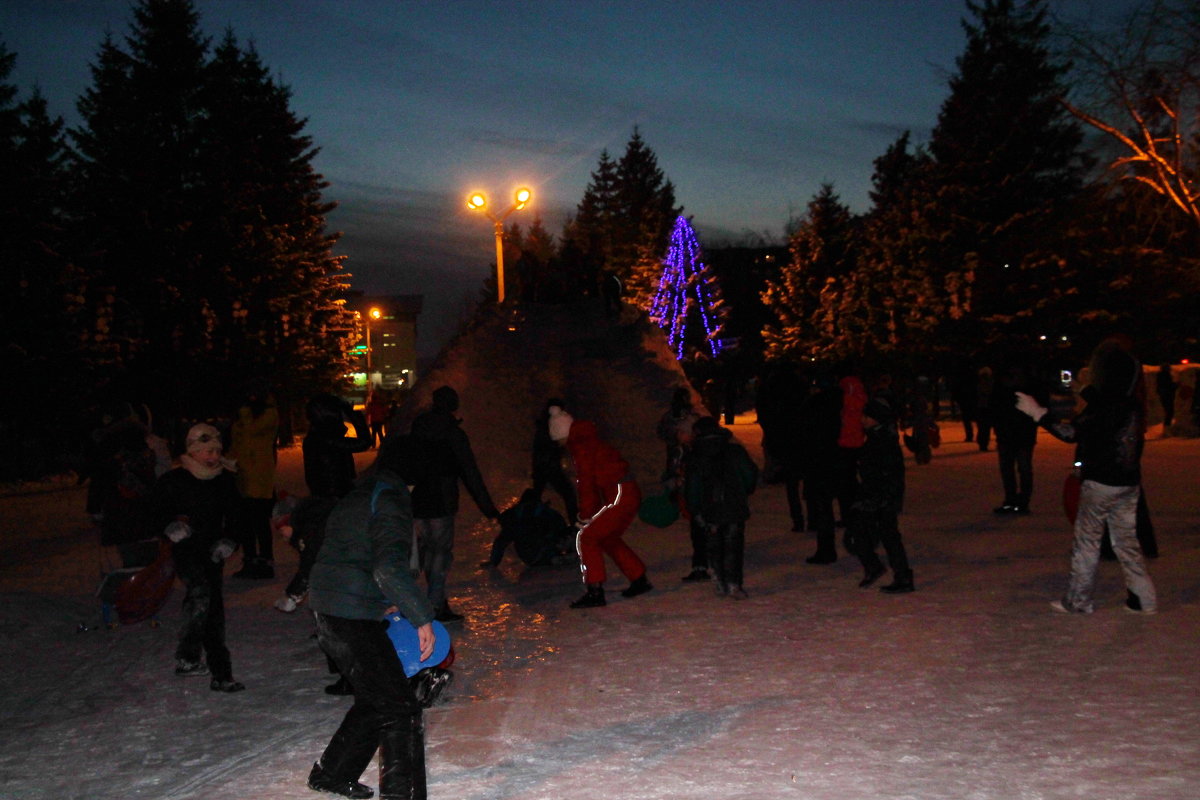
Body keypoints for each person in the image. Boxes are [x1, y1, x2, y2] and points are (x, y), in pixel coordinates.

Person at [306, 446, 438, 800]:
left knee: (377, 696)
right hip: (348, 614)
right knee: (400, 706)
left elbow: (349, 556)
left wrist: (378, 600)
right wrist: (420, 615)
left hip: (330, 606)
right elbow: (387, 567)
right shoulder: (391, 500)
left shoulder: (362, 494)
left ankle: (332, 773)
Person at [1016, 339, 1157, 614]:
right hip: (1127, 483)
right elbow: (1107, 410)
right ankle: (1144, 598)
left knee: (1087, 542)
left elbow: (1073, 432)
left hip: (1100, 482)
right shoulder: (1131, 402)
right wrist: (1087, 391)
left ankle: (1078, 600)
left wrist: (1039, 414)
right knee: (1126, 542)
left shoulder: (1107, 406)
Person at [147, 423, 245, 691]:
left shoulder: (224, 480)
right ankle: (205, 665)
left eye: (216, 451)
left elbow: (237, 516)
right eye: (206, 451)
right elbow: (153, 513)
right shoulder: (173, 480)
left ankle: (205, 666)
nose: (213, 457)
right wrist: (169, 528)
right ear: (192, 451)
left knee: (210, 606)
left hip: (213, 552)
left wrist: (230, 540)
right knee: (201, 594)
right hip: (185, 550)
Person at [273, 393, 371, 614]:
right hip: (331, 501)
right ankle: (300, 593)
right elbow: (364, 442)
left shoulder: (320, 436)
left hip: (330, 499)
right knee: (324, 552)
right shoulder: (324, 437)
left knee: (326, 552)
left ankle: (313, 598)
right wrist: (354, 417)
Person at [410, 385, 501, 623]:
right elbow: (470, 472)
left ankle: (407, 604)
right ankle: (436, 605)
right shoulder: (453, 434)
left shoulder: (417, 429)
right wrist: (487, 507)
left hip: (416, 501)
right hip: (441, 501)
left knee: (417, 555)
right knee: (439, 554)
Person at [549, 403, 652, 608]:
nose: (559, 444)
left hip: (620, 493)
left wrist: (585, 517)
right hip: (625, 492)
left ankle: (595, 591)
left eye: (557, 438)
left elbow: (586, 485)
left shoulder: (581, 447)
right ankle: (639, 579)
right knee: (606, 537)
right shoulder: (587, 441)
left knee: (587, 538)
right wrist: (590, 514)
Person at [844, 395, 914, 594]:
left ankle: (901, 576)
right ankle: (880, 568)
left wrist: (881, 497)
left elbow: (889, 472)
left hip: (882, 495)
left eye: (866, 416)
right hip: (875, 493)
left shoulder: (884, 439)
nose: (862, 419)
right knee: (863, 529)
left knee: (888, 534)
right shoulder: (876, 435)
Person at [684, 416, 759, 599]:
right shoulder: (735, 451)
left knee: (714, 544)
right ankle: (734, 583)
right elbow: (749, 474)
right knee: (734, 544)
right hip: (734, 505)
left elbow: (693, 486)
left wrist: (695, 508)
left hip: (710, 508)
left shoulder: (695, 456)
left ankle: (719, 580)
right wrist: (745, 490)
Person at [656, 386, 707, 581]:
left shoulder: (671, 417)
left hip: (685, 472)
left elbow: (662, 433)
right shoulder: (691, 418)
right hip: (686, 470)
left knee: (697, 518)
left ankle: (702, 562)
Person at [228, 382, 279, 579]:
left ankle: (265, 562)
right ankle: (249, 561)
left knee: (260, 522)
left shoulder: (268, 414)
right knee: (244, 523)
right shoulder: (243, 417)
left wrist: (244, 413)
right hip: (242, 475)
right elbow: (237, 443)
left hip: (259, 477)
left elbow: (251, 433)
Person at [800, 371, 843, 564]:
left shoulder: (814, 406)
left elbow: (807, 433)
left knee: (822, 506)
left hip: (817, 460)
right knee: (825, 505)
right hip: (831, 458)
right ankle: (826, 547)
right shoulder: (835, 404)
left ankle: (826, 549)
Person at [992, 363, 1041, 514]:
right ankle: (1013, 500)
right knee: (1012, 469)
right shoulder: (1003, 390)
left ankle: (1019, 501)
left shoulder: (1025, 390)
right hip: (1011, 435)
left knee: (1021, 468)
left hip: (1020, 435)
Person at [479, 488, 572, 568]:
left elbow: (501, 541)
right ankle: (553, 557)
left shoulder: (513, 516)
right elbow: (562, 529)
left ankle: (552, 558)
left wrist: (493, 562)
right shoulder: (547, 512)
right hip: (545, 548)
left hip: (528, 556)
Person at [530, 398, 578, 523]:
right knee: (569, 494)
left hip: (543, 467)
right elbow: (548, 452)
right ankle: (575, 523)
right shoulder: (553, 427)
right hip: (548, 467)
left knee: (536, 496)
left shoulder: (546, 426)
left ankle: (527, 522)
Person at [1156, 363, 1176, 432]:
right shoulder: (1165, 375)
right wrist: (1176, 385)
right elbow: (1168, 385)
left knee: (1168, 411)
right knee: (1169, 411)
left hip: (1164, 395)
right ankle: (1167, 428)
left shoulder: (1160, 375)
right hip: (1167, 395)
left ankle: (1167, 427)